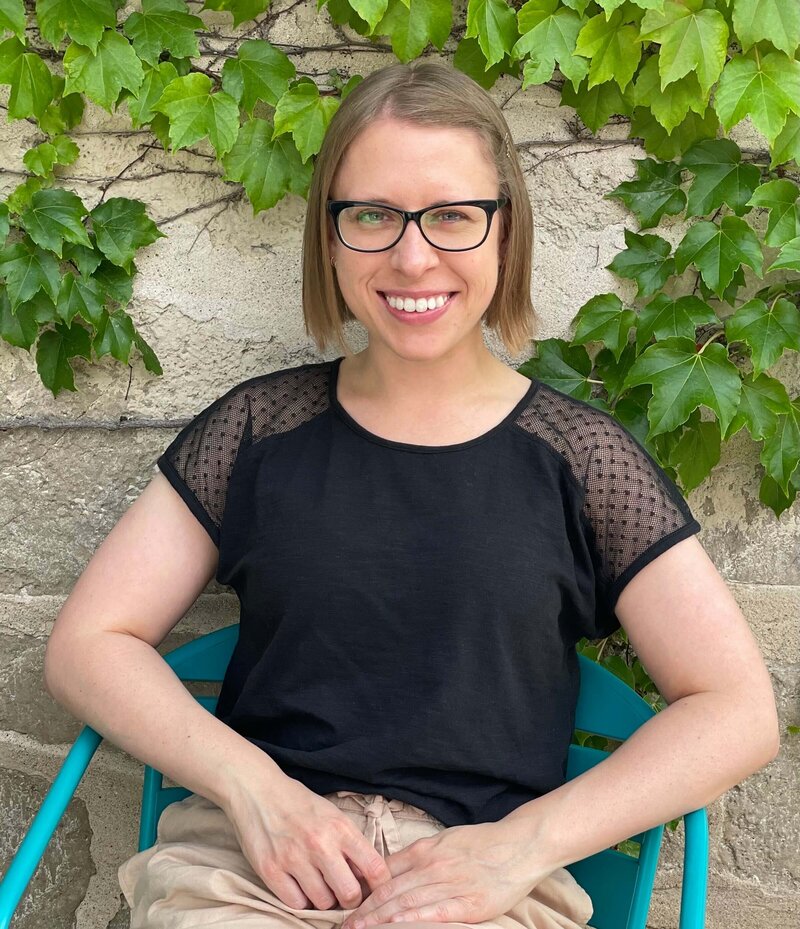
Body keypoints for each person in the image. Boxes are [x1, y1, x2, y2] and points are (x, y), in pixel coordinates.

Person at [43, 59, 780, 929]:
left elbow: (737, 710)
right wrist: (255, 790)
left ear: (506, 232)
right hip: (249, 871)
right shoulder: (255, 432)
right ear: (329, 235)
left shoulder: (585, 462)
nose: (413, 256)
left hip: (485, 887)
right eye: (372, 215)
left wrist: (522, 847)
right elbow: (89, 643)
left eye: (453, 216)